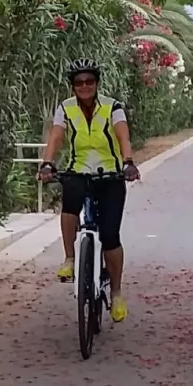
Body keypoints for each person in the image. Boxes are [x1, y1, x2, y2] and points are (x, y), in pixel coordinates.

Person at [37, 58, 139, 323]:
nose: (85, 86)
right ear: (72, 86)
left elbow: (123, 136)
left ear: (97, 83)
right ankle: (71, 258)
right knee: (70, 203)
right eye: (79, 82)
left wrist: (128, 163)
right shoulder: (65, 109)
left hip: (111, 175)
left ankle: (116, 293)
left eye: (89, 81)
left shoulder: (112, 107)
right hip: (79, 170)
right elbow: (56, 137)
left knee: (110, 235)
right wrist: (47, 164)